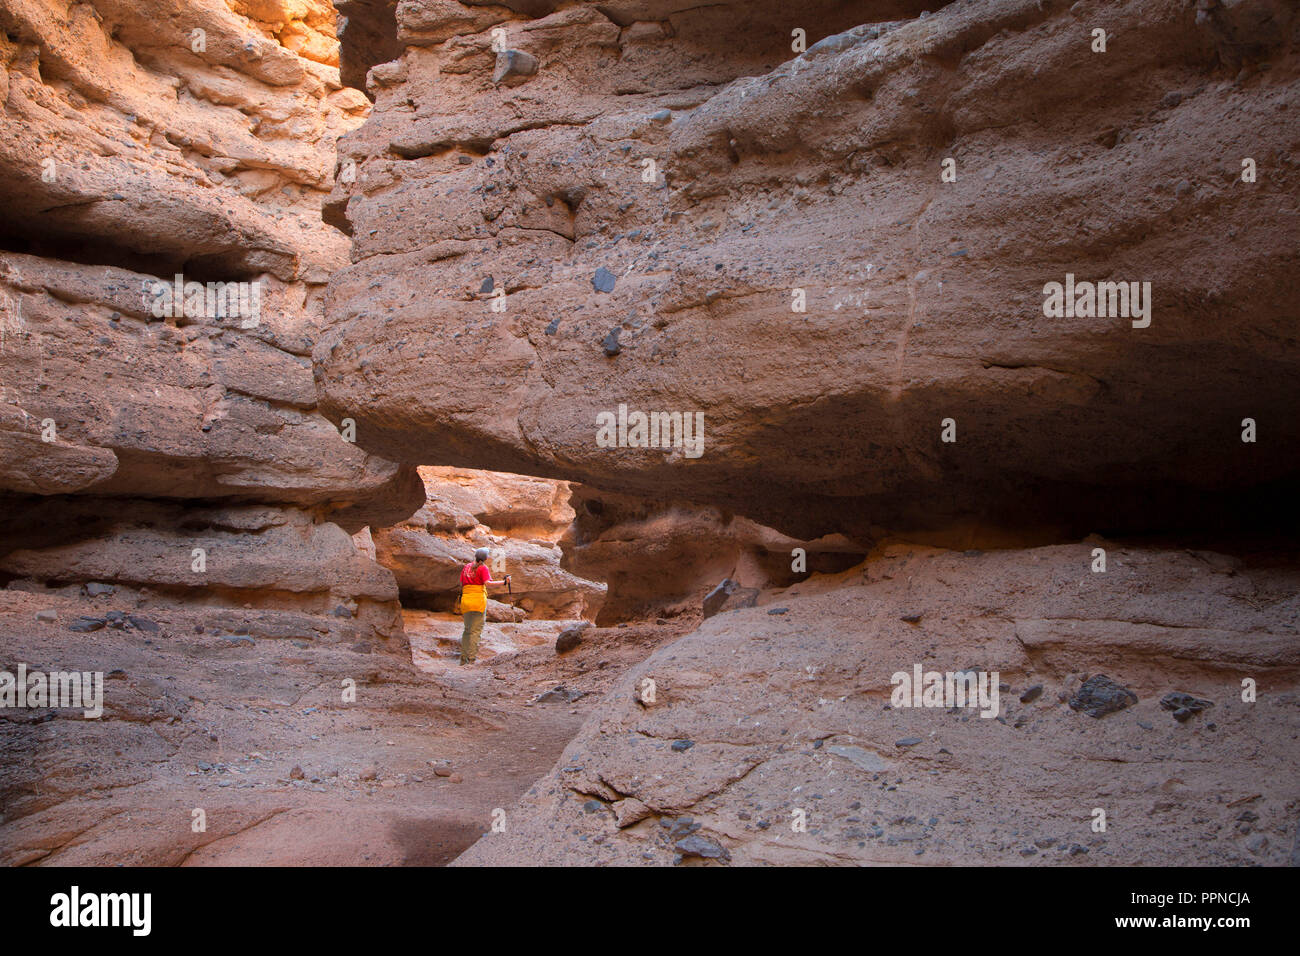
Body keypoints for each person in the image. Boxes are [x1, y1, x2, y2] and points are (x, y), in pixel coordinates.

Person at [459, 548, 511, 665]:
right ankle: (471, 660)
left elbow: (462, 583)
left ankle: (463, 660)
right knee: (476, 631)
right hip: (478, 601)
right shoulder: (483, 568)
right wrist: (504, 582)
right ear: (486, 558)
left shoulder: (466, 567)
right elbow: (488, 583)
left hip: (466, 600)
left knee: (467, 630)